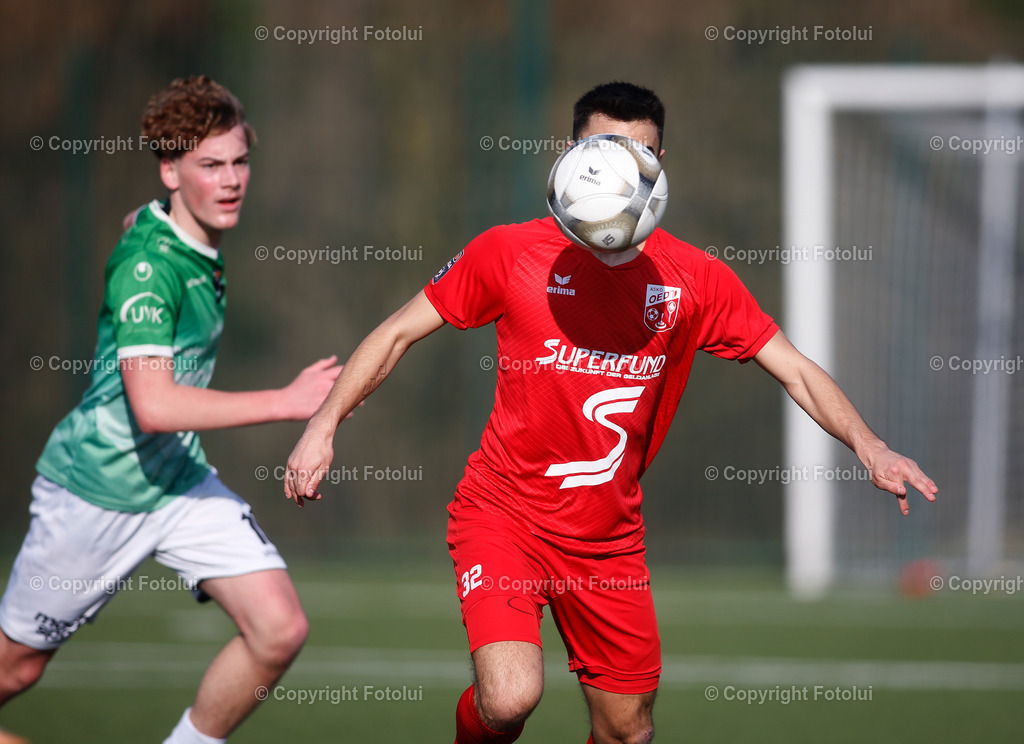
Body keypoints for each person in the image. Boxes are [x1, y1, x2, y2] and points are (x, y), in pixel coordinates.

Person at [284, 81, 938, 744]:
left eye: (643, 154)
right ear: (572, 157)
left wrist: (869, 445)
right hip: (503, 515)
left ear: (662, 168)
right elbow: (396, 332)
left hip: (606, 541)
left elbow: (794, 367)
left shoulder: (694, 279)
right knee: (509, 699)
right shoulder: (509, 254)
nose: (625, 170)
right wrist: (324, 423)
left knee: (627, 732)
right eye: (607, 151)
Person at [0, 75, 341, 744]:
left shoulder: (186, 235)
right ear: (171, 168)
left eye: (240, 161)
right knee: (16, 672)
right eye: (210, 165)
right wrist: (287, 401)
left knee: (279, 630)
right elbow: (153, 405)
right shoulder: (150, 268)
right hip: (97, 490)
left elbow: (142, 224)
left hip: (176, 481)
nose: (232, 179)